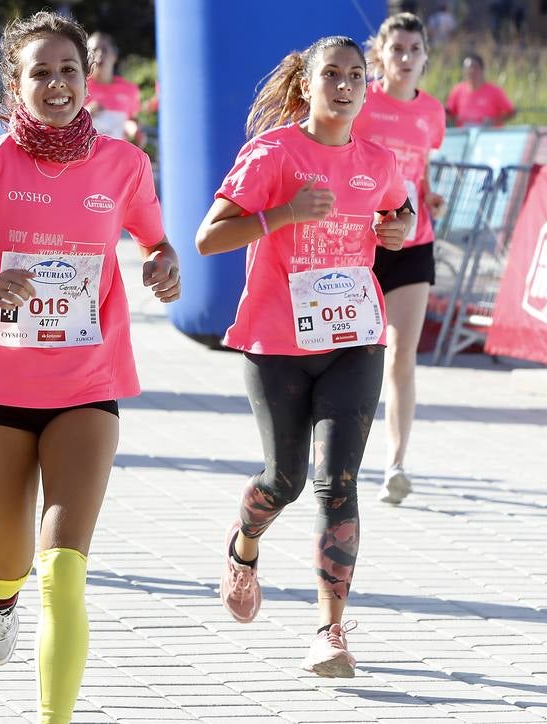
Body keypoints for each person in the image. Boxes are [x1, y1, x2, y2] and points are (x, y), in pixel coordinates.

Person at [0, 11, 180, 723]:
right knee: (9, 565)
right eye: (39, 72)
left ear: (87, 80)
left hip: (86, 384)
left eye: (67, 70)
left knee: (62, 571)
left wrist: (161, 263)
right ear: (13, 85)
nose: (55, 84)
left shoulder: (124, 165)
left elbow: (154, 240)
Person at [194, 35, 413, 679]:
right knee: (284, 479)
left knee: (336, 481)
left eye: (355, 75)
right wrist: (283, 213)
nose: (344, 85)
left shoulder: (378, 160)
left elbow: (399, 215)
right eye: (331, 74)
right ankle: (244, 546)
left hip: (354, 340)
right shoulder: (273, 154)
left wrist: (395, 229)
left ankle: (331, 629)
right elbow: (209, 237)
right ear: (307, 85)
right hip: (278, 343)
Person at [354, 13, 447, 505]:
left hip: (413, 242)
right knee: (356, 355)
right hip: (361, 245)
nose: (406, 59)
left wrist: (429, 197)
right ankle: (342, 455)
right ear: (381, 56)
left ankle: (396, 463)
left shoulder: (433, 112)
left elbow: (420, 170)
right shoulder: (362, 99)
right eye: (397, 50)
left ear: (426, 55)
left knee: (402, 355)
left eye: (414, 49)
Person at [84, 31, 146, 146]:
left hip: (118, 156)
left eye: (105, 49)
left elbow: (133, 121)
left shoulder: (130, 90)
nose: (100, 54)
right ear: (86, 57)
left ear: (115, 56)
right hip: (86, 157)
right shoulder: (79, 87)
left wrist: (135, 132)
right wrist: (85, 113)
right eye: (94, 50)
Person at [444, 53, 515, 127]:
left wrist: (494, 121)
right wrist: (455, 120)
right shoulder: (458, 90)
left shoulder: (495, 91)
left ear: (482, 70)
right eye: (467, 68)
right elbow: (449, 113)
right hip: (465, 134)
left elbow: (511, 112)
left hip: (488, 134)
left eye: (475, 67)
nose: (471, 71)